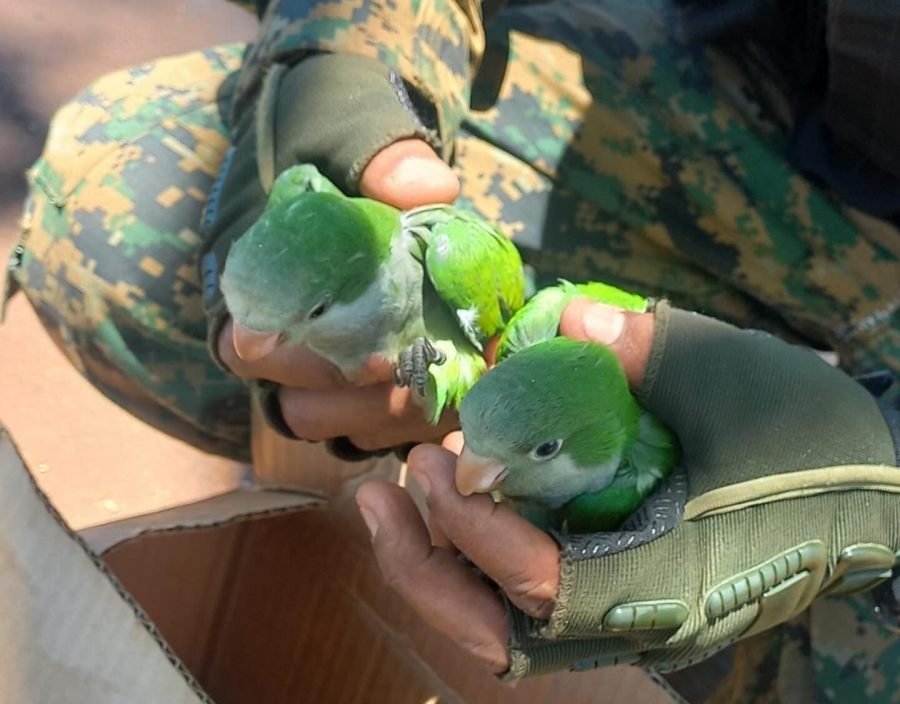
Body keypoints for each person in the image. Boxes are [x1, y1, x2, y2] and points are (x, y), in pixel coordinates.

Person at [4, 0, 899, 700]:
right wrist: (339, 62)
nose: (255, 338)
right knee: (118, 196)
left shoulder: (464, 275)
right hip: (773, 97)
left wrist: (878, 483)